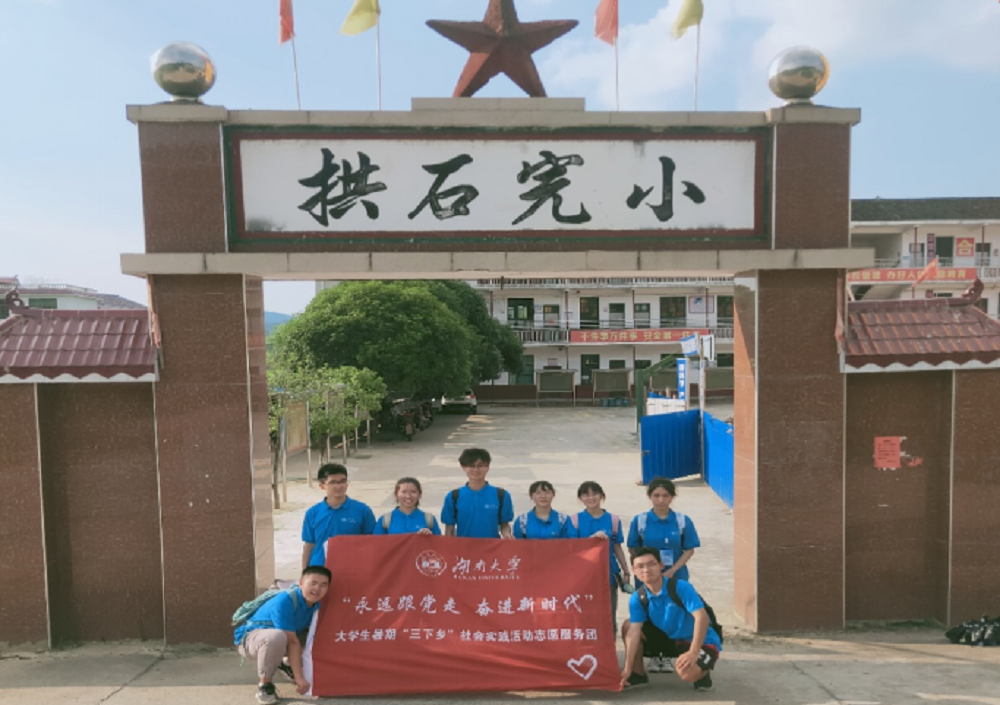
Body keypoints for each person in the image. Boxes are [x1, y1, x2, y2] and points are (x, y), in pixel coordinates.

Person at [626, 476, 701, 673]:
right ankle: (654, 655)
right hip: (648, 578)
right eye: (656, 495)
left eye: (665, 495)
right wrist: (646, 568)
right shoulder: (640, 521)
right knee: (649, 615)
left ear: (672, 497)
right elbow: (633, 548)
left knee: (674, 615)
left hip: (674, 576)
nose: (661, 500)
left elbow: (689, 549)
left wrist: (672, 569)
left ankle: (670, 654)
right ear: (650, 496)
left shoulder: (682, 521)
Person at [620, 548, 720, 693]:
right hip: (669, 640)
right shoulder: (638, 597)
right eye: (640, 566)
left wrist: (693, 652)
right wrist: (627, 669)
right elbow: (634, 632)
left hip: (699, 641)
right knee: (628, 625)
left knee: (687, 673)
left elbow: (702, 617)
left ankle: (702, 674)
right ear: (634, 571)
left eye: (651, 564)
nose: (646, 570)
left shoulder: (681, 587)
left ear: (661, 565)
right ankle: (638, 675)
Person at [234, 566, 332, 704]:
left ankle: (286, 663)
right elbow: (292, 641)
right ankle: (265, 686)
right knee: (276, 636)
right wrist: (299, 679)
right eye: (313, 583)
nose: (317, 589)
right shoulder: (285, 601)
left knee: (319, 635)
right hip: (251, 641)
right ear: (301, 583)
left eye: (323, 585)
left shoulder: (316, 604)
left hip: (283, 640)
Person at [570, 481, 630, 632]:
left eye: (595, 494)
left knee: (608, 615)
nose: (591, 498)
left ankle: (610, 646)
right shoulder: (574, 520)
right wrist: (593, 539)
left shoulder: (613, 520)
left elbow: (617, 547)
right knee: (584, 615)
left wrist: (626, 571)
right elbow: (572, 548)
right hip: (583, 576)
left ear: (602, 496)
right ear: (580, 498)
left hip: (608, 574)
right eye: (586, 495)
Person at [302, 464, 376, 569]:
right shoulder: (313, 513)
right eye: (333, 482)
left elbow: (371, 543)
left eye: (342, 481)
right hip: (320, 570)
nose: (339, 486)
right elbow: (309, 545)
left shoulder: (363, 510)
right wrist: (305, 572)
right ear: (322, 486)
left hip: (352, 569)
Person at [440, 448, 514, 538]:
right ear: (463, 467)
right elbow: (449, 529)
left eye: (480, 465)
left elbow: (504, 524)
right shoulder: (453, 497)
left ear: (487, 467)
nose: (476, 470)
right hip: (463, 546)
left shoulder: (501, 495)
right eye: (471, 465)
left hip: (492, 546)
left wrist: (506, 534)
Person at [373, 477, 442, 535]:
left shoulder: (429, 519)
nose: (408, 496)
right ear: (396, 494)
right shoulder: (385, 520)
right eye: (404, 492)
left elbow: (439, 544)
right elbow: (377, 544)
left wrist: (430, 537)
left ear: (419, 494)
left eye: (413, 492)